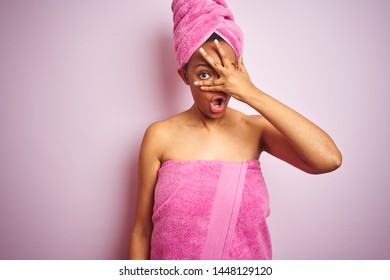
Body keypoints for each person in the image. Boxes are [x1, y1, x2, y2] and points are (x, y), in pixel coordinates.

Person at [129, 0, 342, 260]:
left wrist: (250, 93)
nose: (220, 86)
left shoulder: (254, 130)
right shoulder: (160, 136)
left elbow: (328, 159)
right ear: (184, 76)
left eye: (227, 72)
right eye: (205, 74)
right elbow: (142, 230)